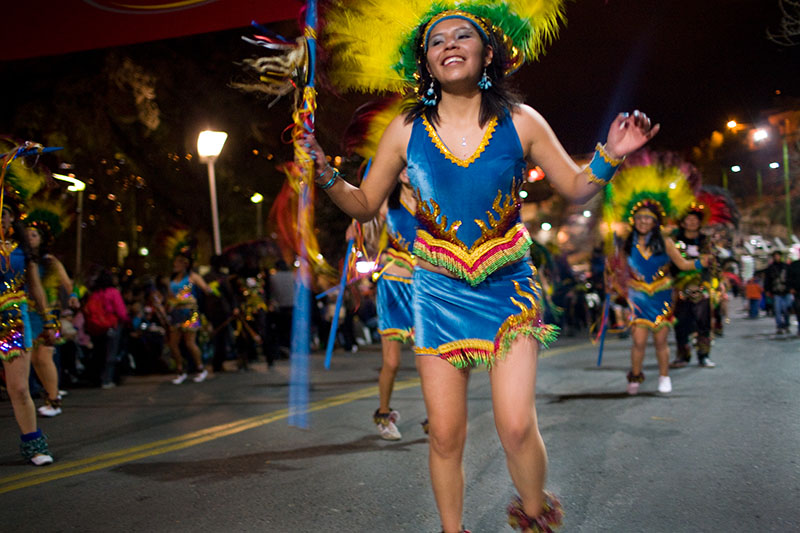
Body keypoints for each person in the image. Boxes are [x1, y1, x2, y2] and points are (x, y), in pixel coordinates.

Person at [310, 3, 658, 530]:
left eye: (461, 35)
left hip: (509, 287)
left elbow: (577, 185)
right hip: (437, 291)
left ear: (487, 52)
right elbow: (363, 204)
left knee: (516, 426)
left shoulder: (522, 121)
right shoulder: (405, 131)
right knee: (446, 435)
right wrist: (325, 174)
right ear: (424, 62)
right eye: (436, 40)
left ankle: (535, 516)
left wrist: (611, 151)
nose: (448, 44)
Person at [608, 154, 711, 396]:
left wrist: (700, 263)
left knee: (660, 342)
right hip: (638, 297)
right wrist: (612, 280)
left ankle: (665, 377)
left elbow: (684, 265)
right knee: (639, 342)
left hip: (662, 296)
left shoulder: (665, 242)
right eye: (640, 217)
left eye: (649, 218)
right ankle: (635, 376)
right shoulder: (624, 242)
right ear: (634, 220)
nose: (644, 221)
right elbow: (619, 269)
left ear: (656, 222)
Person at [0, 141, 55, 465]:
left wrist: (48, 321)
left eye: (7, 214)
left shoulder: (22, 251)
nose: (3, 219)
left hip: (11, 317)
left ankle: (34, 444)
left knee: (19, 388)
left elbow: (35, 287)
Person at [25, 198, 80, 415]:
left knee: (44, 357)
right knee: (35, 359)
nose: (29, 237)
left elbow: (68, 284)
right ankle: (49, 396)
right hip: (27, 314)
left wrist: (74, 297)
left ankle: (54, 400)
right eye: (27, 234)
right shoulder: (21, 259)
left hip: (48, 315)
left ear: (43, 239)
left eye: (34, 235)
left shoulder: (51, 261)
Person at [669, 205, 716, 368]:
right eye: (688, 219)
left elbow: (713, 264)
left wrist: (713, 283)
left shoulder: (706, 241)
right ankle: (683, 355)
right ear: (682, 223)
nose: (691, 222)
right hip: (680, 288)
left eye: (695, 220)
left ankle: (704, 355)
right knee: (680, 323)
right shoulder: (674, 241)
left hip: (701, 287)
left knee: (703, 322)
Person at [165, 241, 211, 384]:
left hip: (190, 312)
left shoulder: (192, 277)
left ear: (185, 264)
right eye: (174, 264)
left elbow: (206, 289)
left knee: (190, 343)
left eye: (178, 263)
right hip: (176, 314)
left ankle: (200, 368)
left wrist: (211, 288)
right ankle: (180, 370)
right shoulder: (172, 280)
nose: (175, 266)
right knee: (173, 344)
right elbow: (170, 298)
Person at [85, 269, 129, 388]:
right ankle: (107, 379)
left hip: (96, 327)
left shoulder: (95, 293)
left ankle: (97, 378)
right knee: (111, 352)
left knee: (98, 352)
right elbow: (121, 311)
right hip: (112, 325)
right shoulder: (113, 292)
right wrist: (125, 321)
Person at [764, 250, 791, 334]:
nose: (776, 257)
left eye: (778, 256)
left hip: (786, 291)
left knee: (786, 309)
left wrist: (791, 288)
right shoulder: (770, 268)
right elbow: (767, 280)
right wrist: (767, 290)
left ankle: (786, 324)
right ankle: (779, 326)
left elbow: (790, 278)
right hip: (776, 292)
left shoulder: (786, 266)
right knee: (777, 310)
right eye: (775, 256)